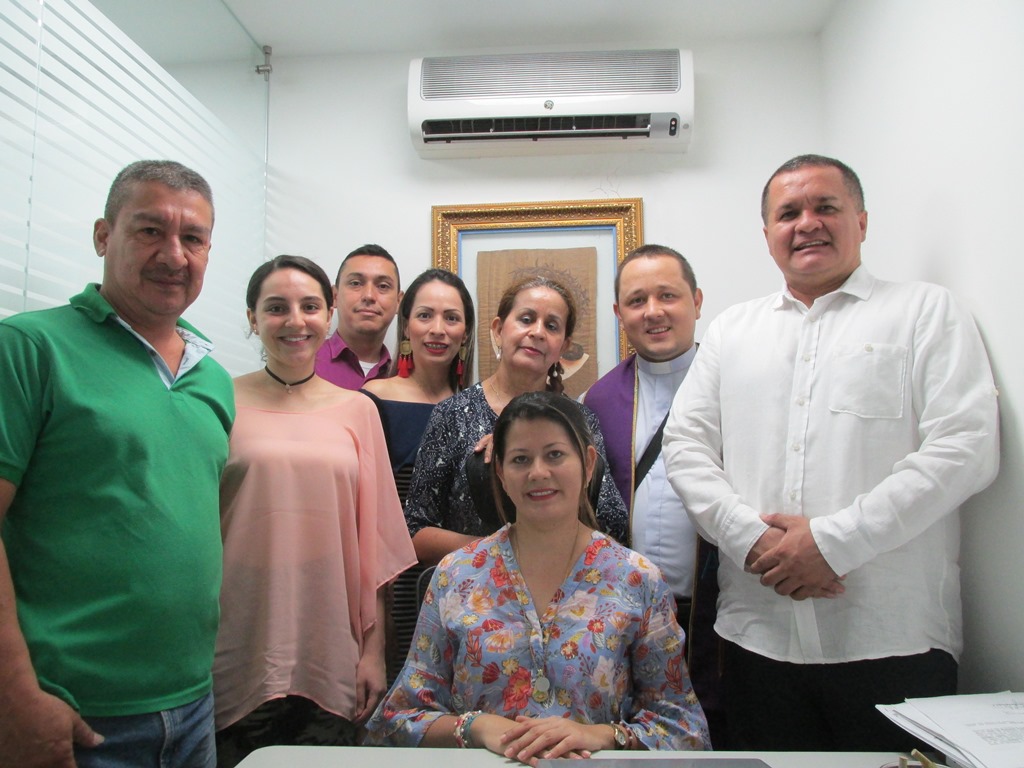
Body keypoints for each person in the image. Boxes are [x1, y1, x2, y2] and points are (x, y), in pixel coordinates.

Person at [662, 154, 1000, 751]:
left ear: (862, 221)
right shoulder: (732, 332)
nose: (807, 223)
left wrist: (832, 543)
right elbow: (685, 446)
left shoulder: (925, 312)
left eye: (826, 207)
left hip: (892, 642)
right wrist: (753, 538)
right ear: (767, 234)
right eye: (788, 213)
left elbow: (966, 446)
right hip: (755, 641)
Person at [0, 160, 234, 768]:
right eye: (150, 230)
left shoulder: (212, 377)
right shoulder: (29, 348)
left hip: (192, 707)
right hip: (75, 714)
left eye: (193, 238)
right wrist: (17, 697)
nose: (174, 255)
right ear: (104, 235)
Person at [366, 391, 711, 761]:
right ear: (500, 471)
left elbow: (684, 730)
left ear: (589, 463)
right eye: (520, 459)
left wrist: (601, 736)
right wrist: (478, 727)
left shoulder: (637, 580)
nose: (538, 473)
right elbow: (396, 720)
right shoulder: (457, 575)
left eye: (555, 454)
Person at [213, 256, 417, 767]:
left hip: (332, 643)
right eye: (276, 308)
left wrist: (373, 652)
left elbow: (376, 544)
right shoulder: (218, 401)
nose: (295, 321)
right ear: (252, 318)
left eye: (308, 307)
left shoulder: (358, 410)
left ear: (327, 315)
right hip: (237, 635)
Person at [583, 244, 724, 746]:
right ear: (620, 313)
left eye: (668, 295)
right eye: (637, 300)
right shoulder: (599, 399)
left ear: (697, 300)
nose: (654, 311)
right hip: (628, 616)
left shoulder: (735, 383)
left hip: (719, 610)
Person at [404, 275, 628, 566]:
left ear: (563, 345)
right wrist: (505, 550)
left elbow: (614, 525)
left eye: (551, 326)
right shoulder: (453, 414)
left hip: (565, 595)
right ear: (498, 330)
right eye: (526, 319)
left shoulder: (581, 422)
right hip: (475, 598)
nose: (537, 332)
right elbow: (415, 531)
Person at [361, 268, 476, 683]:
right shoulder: (372, 400)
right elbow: (366, 518)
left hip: (463, 583)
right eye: (425, 315)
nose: (438, 330)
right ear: (406, 324)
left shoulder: (475, 408)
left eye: (452, 318)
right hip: (390, 586)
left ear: (466, 332)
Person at [314, 243, 402, 389]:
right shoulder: (304, 365)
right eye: (356, 283)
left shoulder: (403, 376)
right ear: (334, 296)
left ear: (399, 301)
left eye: (383, 286)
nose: (369, 295)